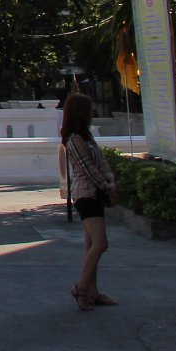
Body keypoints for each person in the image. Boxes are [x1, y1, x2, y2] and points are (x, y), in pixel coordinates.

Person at [58, 93, 117, 309]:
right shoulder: (74, 140)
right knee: (101, 244)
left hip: (95, 193)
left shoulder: (87, 137)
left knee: (91, 245)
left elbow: (101, 162)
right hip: (85, 194)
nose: (92, 113)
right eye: (89, 109)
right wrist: (106, 186)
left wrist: (110, 180)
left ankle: (92, 291)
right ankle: (81, 288)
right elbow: (88, 169)